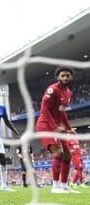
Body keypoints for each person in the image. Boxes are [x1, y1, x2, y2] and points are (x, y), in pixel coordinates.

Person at [35, 66, 79, 194]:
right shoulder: (52, 90)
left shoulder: (68, 93)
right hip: (46, 125)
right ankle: (55, 187)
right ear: (58, 77)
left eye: (67, 75)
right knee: (59, 153)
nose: (65, 78)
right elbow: (44, 109)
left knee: (68, 155)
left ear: (71, 77)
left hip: (57, 126)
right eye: (62, 75)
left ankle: (64, 186)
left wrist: (69, 128)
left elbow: (62, 112)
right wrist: (54, 127)